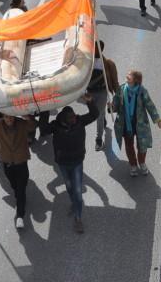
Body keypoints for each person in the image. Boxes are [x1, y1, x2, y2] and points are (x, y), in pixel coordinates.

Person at [40, 94, 98, 233]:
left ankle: (78, 218)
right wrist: (44, 111)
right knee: (69, 186)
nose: (74, 119)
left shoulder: (79, 121)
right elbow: (43, 130)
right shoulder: (56, 126)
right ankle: (74, 203)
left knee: (78, 191)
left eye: (74, 117)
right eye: (71, 118)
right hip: (63, 163)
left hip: (77, 162)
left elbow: (94, 115)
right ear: (64, 119)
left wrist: (90, 101)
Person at [0, 109, 37, 228]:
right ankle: (19, 198)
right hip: (7, 162)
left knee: (21, 187)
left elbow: (33, 126)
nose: (9, 120)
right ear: (3, 117)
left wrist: (27, 116)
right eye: (6, 117)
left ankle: (20, 215)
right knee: (14, 186)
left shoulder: (21, 123)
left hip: (21, 161)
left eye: (11, 117)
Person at [112, 70, 161, 177]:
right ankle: (133, 165)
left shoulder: (142, 91)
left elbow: (150, 105)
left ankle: (142, 163)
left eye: (129, 75)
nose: (127, 76)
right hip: (126, 124)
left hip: (140, 124)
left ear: (135, 79)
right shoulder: (121, 89)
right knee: (129, 146)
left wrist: (158, 120)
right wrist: (111, 106)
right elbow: (115, 106)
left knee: (142, 146)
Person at [87, 40, 119, 151]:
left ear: (101, 49)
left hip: (102, 92)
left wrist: (117, 95)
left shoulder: (108, 63)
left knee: (98, 115)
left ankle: (99, 140)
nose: (93, 50)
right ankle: (104, 119)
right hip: (89, 93)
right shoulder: (87, 62)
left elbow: (114, 81)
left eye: (96, 48)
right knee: (99, 113)